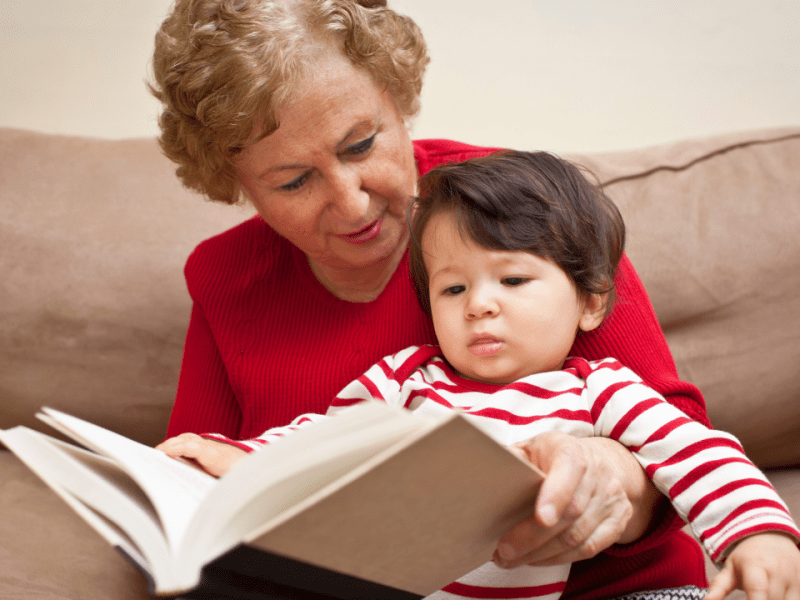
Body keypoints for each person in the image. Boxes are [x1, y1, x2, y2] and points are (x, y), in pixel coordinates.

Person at [150, 1, 716, 597]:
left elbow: (681, 438)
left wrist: (615, 479)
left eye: (361, 145)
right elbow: (192, 485)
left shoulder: (520, 213)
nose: (352, 204)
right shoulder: (225, 275)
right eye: (293, 181)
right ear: (235, 182)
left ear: (400, 100)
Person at [159, 150, 800, 600]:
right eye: (453, 287)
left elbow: (699, 452)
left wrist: (762, 537)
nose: (480, 304)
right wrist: (231, 454)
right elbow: (320, 440)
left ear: (591, 301)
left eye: (514, 280)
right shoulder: (409, 380)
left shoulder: (598, 387)